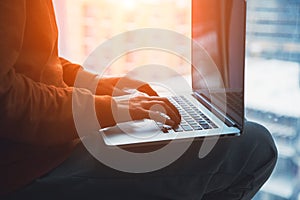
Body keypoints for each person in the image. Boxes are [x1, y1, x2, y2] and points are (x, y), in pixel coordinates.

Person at [0, 1, 277, 199]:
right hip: (29, 170)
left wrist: (109, 86)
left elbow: (37, 63)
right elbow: (6, 98)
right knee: (254, 148)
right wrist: (114, 109)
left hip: (47, 147)